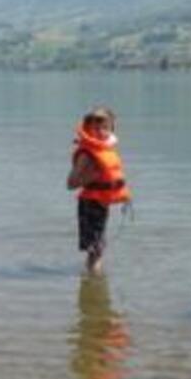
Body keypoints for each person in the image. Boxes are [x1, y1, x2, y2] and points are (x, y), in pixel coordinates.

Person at [67, 106, 131, 274]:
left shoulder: (105, 150)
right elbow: (70, 183)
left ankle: (92, 278)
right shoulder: (87, 154)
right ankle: (94, 282)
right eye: (95, 128)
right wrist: (91, 178)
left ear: (112, 129)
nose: (100, 132)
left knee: (97, 249)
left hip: (101, 203)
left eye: (104, 128)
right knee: (96, 250)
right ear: (88, 128)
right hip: (89, 204)